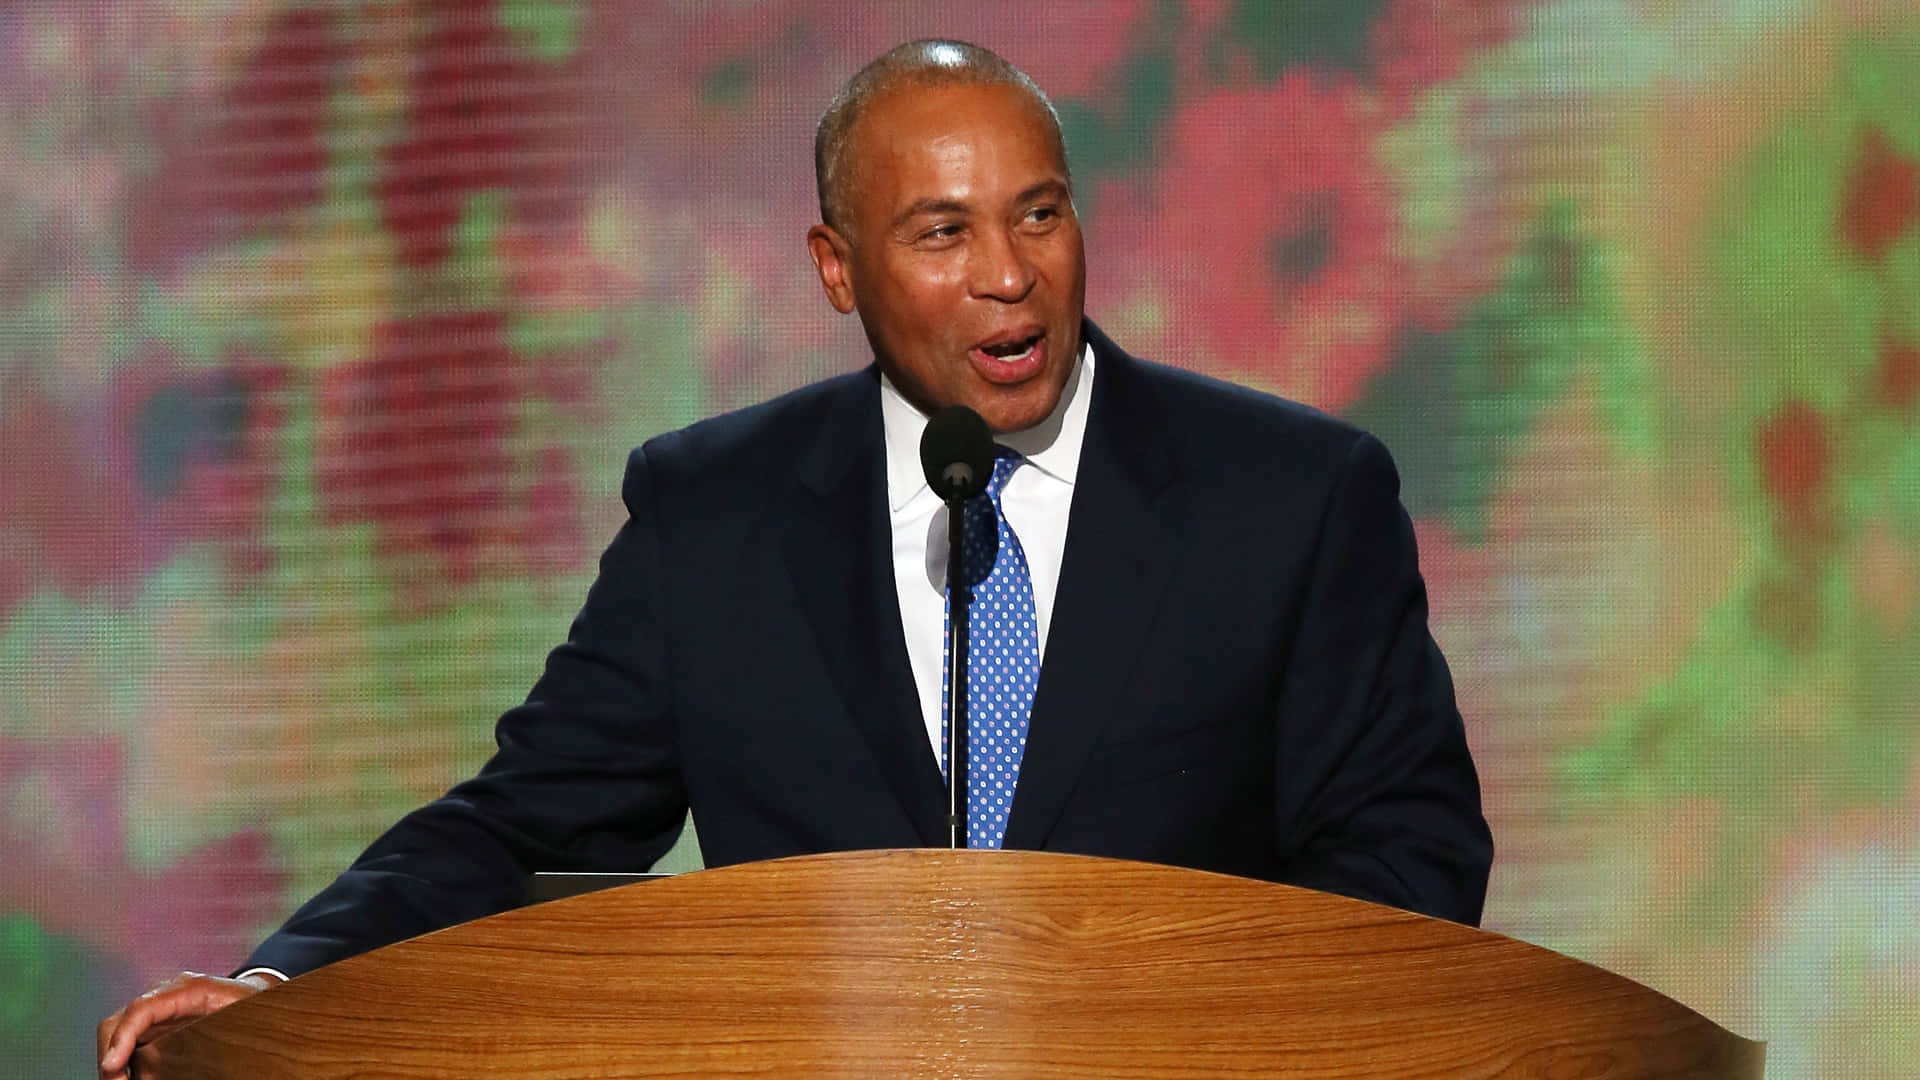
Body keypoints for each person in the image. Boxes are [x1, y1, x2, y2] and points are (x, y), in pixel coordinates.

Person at [99, 39, 1492, 1078]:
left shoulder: (1294, 498)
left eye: (1041, 213)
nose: (1010, 274)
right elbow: (524, 828)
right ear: (837, 267)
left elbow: (1407, 856)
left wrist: (1156, 1018)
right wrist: (289, 982)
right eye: (942, 232)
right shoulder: (717, 516)